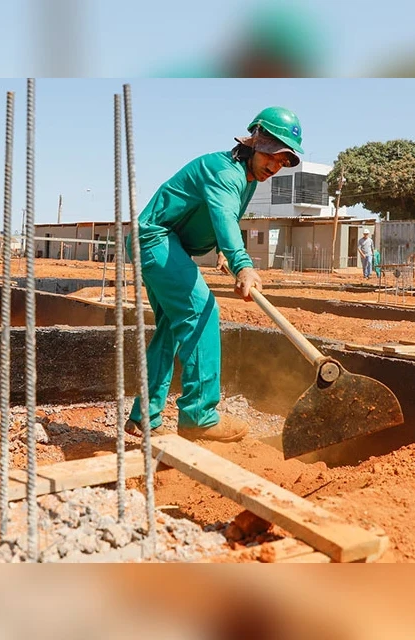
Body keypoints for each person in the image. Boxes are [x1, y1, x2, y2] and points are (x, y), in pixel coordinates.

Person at [123, 107, 304, 443]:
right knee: (202, 311)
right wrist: (242, 264)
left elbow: (224, 219)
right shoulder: (224, 171)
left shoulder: (247, 178)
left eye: (283, 162)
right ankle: (199, 416)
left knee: (171, 329)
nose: (275, 167)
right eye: (273, 157)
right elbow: (222, 215)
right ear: (255, 143)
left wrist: (222, 250)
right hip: (154, 238)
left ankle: (142, 417)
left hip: (164, 242)